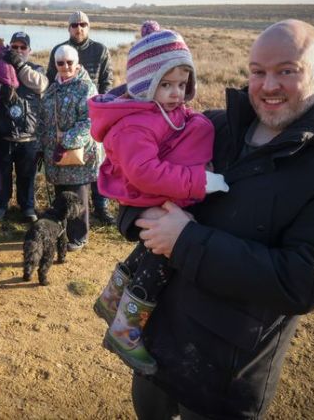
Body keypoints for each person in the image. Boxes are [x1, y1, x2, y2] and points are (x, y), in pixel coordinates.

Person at [119, 19, 314, 419]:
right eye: (257, 71)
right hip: (156, 345)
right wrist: (141, 214)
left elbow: (300, 282)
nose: (268, 85)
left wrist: (184, 241)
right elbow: (135, 181)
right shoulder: (216, 126)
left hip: (224, 377)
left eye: (286, 70)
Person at [88, 21, 229, 375]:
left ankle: (111, 298)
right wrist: (198, 181)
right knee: (164, 255)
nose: (176, 93)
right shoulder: (136, 122)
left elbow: (179, 127)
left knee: (151, 245)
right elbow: (144, 171)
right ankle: (125, 331)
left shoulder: (161, 111)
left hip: (152, 193)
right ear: (143, 85)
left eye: (182, 84)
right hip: (143, 193)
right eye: (165, 85)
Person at [47, 11, 115, 224]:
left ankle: (101, 206)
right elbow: (51, 81)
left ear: (88, 26)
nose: (79, 28)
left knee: (96, 160)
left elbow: (107, 81)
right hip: (67, 112)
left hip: (94, 111)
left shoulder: (99, 50)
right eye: (74, 25)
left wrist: (101, 107)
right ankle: (66, 214)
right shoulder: (59, 51)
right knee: (73, 163)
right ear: (69, 28)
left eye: (83, 24)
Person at [37, 44, 99, 251]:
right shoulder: (52, 87)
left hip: (77, 154)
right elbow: (44, 120)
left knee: (77, 197)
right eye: (60, 63)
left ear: (77, 63)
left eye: (69, 62)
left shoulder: (86, 88)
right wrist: (41, 146)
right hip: (55, 154)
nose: (65, 67)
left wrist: (66, 141)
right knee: (61, 197)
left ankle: (79, 236)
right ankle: (62, 234)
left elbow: (88, 122)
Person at [0, 31, 49, 223]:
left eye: (22, 47)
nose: (18, 50)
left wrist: (19, 64)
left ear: (29, 50)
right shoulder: (0, 69)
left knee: (27, 176)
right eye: (14, 47)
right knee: (2, 174)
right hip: (4, 133)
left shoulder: (36, 69)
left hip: (29, 136)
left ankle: (27, 207)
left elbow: (41, 85)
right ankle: (1, 205)